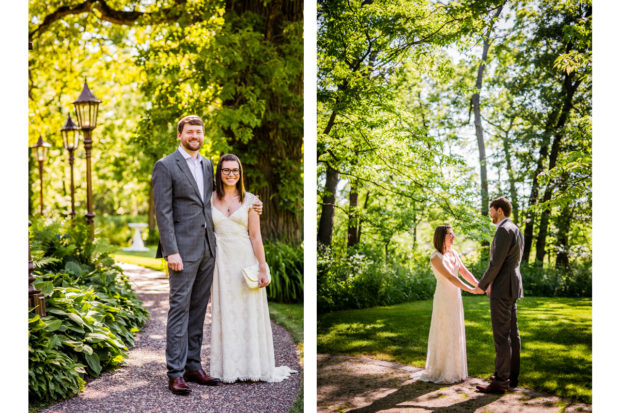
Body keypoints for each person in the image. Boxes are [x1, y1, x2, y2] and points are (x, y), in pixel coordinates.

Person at [152, 115, 262, 395]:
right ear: (180, 135)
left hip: (208, 250)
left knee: (199, 311)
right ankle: (175, 373)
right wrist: (171, 251)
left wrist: (252, 204)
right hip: (182, 252)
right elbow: (163, 213)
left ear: (203, 136)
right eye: (189, 132)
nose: (194, 136)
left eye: (198, 132)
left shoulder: (207, 164)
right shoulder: (165, 166)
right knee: (179, 310)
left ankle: (193, 365)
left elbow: (219, 200)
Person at [209, 154, 296, 383]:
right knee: (226, 312)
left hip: (244, 259)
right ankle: (227, 369)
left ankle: (253, 367)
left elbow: (255, 236)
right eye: (226, 170)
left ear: (240, 173)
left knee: (249, 312)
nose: (230, 174)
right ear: (219, 173)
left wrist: (262, 267)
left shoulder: (251, 200)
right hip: (220, 263)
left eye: (235, 170)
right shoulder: (208, 200)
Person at [412, 225, 481, 384]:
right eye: (450, 234)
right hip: (444, 299)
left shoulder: (454, 253)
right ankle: (442, 370)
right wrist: (471, 290)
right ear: (441, 236)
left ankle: (455, 370)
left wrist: (479, 285)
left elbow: (464, 272)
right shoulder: (435, 257)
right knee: (444, 330)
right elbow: (450, 277)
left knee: (455, 330)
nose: (454, 237)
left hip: (455, 298)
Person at [473, 197, 524, 394]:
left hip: (502, 288)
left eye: (491, 210)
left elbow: (496, 263)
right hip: (513, 286)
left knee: (501, 335)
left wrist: (482, 285)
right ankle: (511, 377)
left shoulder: (503, 230)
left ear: (500, 211)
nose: (490, 214)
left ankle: (501, 381)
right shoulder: (516, 230)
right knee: (512, 333)